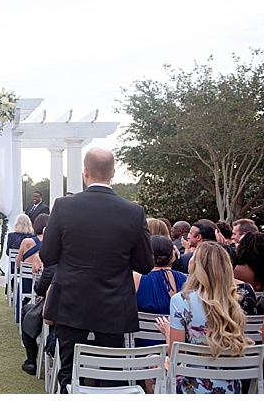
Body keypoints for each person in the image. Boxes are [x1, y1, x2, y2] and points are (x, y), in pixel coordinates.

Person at [40, 148, 153, 393]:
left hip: (71, 302)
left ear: (85, 172)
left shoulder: (63, 207)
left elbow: (47, 256)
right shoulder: (133, 212)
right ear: (113, 173)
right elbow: (145, 264)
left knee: (69, 374)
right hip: (114, 306)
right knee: (113, 374)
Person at [155, 241, 254, 394]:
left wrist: (167, 332)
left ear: (197, 266)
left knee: (153, 362)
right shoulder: (235, 300)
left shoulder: (181, 301)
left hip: (192, 387)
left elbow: (176, 355)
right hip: (232, 388)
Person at [133, 235, 187, 344]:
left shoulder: (136, 278)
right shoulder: (185, 279)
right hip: (175, 346)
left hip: (142, 349)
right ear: (172, 255)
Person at [20, 263, 56, 375]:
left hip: (57, 316)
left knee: (28, 312)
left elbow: (39, 289)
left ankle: (31, 360)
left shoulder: (54, 266)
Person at [15, 213, 47, 322]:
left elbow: (18, 263)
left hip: (27, 282)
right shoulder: (53, 243)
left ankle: (20, 317)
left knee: (22, 283)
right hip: (46, 282)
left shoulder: (26, 242)